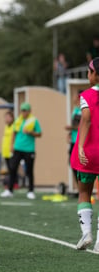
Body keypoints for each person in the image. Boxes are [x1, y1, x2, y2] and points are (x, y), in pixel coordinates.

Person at [70, 57, 99, 251]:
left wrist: (80, 146)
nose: (88, 74)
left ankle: (87, 233)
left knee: (84, 193)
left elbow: (86, 120)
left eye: (89, 71)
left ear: (95, 74)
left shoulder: (87, 95)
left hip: (89, 151)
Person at [0, 102, 42, 199]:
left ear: (29, 111)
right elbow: (14, 133)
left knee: (29, 170)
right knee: (12, 169)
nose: (23, 112)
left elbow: (39, 134)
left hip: (29, 149)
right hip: (18, 148)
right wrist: (12, 145)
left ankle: (31, 191)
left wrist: (31, 132)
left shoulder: (34, 120)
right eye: (22, 110)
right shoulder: (18, 120)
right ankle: (10, 190)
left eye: (25, 110)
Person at [65, 90, 82, 181]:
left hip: (81, 142)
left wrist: (71, 128)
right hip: (74, 141)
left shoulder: (84, 110)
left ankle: (84, 188)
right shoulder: (75, 110)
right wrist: (70, 133)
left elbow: (83, 126)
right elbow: (74, 124)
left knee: (82, 165)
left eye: (75, 96)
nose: (74, 98)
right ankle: (80, 187)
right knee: (72, 163)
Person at [1, 110, 16, 189]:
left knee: (12, 169)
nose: (6, 119)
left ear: (12, 118)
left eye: (8, 117)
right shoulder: (6, 126)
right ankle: (11, 185)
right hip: (5, 151)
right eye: (5, 117)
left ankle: (12, 185)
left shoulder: (14, 126)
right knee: (9, 169)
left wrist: (12, 147)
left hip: (11, 151)